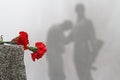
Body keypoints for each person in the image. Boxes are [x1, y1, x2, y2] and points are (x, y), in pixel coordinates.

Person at [66, 3, 103, 80]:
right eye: (78, 10)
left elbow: (93, 38)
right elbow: (68, 39)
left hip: (84, 52)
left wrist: (94, 53)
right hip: (76, 53)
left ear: (83, 11)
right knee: (81, 75)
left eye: (81, 10)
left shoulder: (87, 22)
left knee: (85, 76)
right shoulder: (76, 25)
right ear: (76, 11)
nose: (79, 12)